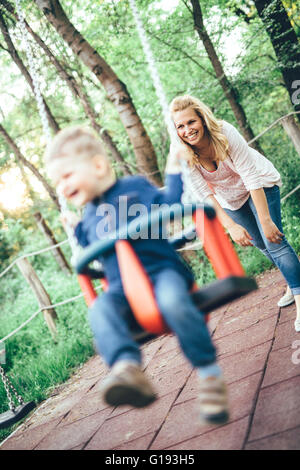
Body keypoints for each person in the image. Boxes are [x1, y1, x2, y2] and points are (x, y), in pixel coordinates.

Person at [45, 125, 229, 425]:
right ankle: (127, 369)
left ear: (98, 166)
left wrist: (174, 168)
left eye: (67, 176)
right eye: (57, 182)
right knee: (101, 310)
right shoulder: (88, 215)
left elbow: (170, 204)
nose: (62, 188)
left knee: (173, 303)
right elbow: (92, 247)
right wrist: (76, 227)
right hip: (121, 289)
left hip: (161, 273)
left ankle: (209, 375)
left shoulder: (135, 188)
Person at [170, 94, 300, 333]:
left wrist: (265, 219)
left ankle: (299, 291)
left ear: (202, 119)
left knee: (274, 242)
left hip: (259, 183)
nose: (187, 130)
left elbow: (250, 175)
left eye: (191, 122)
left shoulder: (224, 132)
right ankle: (295, 281)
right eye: (180, 126)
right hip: (230, 199)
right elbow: (203, 194)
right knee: (260, 243)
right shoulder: (182, 152)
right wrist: (230, 226)